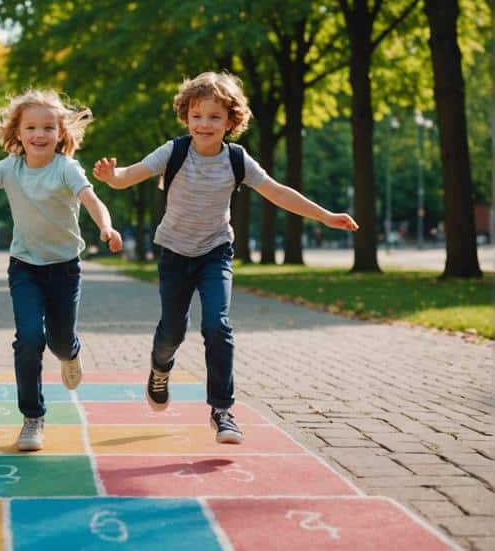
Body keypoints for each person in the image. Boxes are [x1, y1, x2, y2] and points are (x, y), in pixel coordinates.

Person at [92, 71, 358, 444]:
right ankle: (160, 367)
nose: (204, 124)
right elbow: (128, 176)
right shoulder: (174, 151)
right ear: (186, 116)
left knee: (217, 326)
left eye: (215, 117)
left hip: (216, 251)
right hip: (174, 252)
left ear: (231, 121)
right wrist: (111, 175)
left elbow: (277, 192)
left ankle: (222, 410)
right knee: (172, 331)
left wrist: (326, 216)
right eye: (197, 116)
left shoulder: (237, 159)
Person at [0, 89, 123, 452]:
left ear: (60, 133)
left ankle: (71, 353)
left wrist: (106, 227)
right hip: (24, 267)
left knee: (59, 341)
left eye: (48, 127)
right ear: (18, 132)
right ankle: (32, 417)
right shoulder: (10, 166)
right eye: (31, 127)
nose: (39, 134)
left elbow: (91, 199)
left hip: (64, 268)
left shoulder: (66, 168)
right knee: (28, 338)